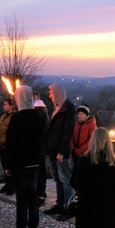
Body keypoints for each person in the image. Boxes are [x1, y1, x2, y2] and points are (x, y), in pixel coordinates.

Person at [5, 85, 46, 228]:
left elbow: (11, 143)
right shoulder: (38, 117)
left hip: (20, 164)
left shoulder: (17, 118)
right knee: (32, 198)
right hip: (34, 162)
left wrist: (8, 165)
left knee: (22, 199)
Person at [43, 84, 76, 220]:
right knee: (57, 178)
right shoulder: (56, 108)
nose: (50, 95)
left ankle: (69, 206)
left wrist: (62, 151)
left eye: (51, 93)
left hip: (60, 151)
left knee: (65, 179)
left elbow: (67, 132)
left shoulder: (68, 109)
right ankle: (60, 204)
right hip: (52, 150)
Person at [33, 91, 50, 207]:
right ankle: (38, 191)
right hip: (36, 145)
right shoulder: (37, 111)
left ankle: (40, 193)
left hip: (40, 145)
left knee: (40, 171)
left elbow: (42, 130)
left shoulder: (41, 112)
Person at [0, 98, 15, 195]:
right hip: (2, 146)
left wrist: (2, 141)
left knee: (9, 166)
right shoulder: (3, 116)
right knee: (4, 166)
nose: (4, 106)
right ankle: (7, 184)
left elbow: (11, 133)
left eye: (5, 104)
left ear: (11, 106)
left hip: (8, 146)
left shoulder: (13, 117)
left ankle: (11, 186)